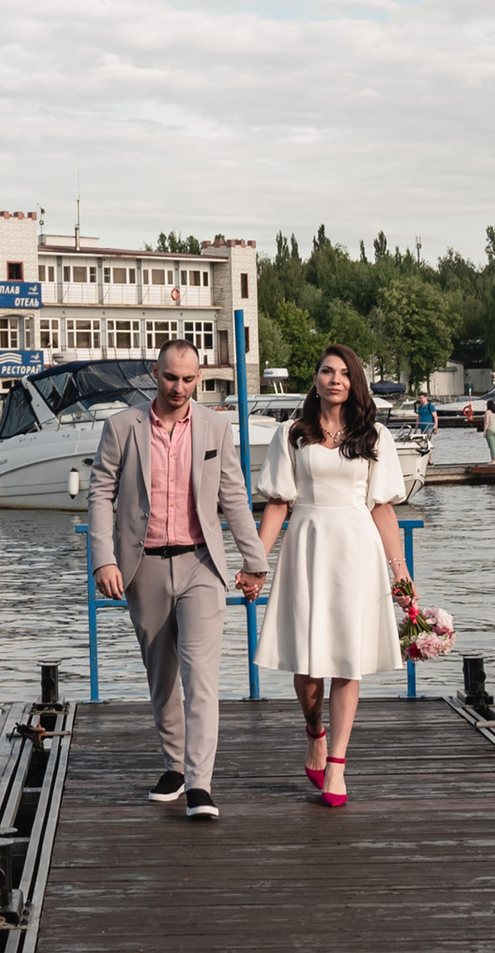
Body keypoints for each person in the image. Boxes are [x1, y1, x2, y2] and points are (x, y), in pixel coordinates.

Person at [89, 339, 268, 822]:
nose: (180, 388)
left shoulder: (214, 426)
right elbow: (100, 493)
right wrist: (104, 559)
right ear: (155, 372)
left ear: (199, 378)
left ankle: (200, 784)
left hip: (201, 565)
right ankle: (174, 766)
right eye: (171, 377)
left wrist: (255, 561)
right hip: (142, 564)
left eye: (189, 380)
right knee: (161, 675)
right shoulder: (122, 427)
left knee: (201, 677)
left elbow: (233, 495)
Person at [254, 344, 413, 810]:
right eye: (327, 371)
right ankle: (314, 731)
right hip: (307, 543)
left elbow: (381, 507)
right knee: (307, 664)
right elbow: (278, 503)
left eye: (344, 373)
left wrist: (399, 573)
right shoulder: (292, 433)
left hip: (357, 548)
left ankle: (338, 765)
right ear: (316, 378)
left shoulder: (374, 435)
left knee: (348, 658)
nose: (335, 379)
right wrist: (257, 563)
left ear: (355, 381)